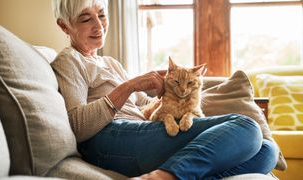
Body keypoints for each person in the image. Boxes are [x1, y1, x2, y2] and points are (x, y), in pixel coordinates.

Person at [50, 0, 279, 179]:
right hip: (109, 139)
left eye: (101, 15)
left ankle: (178, 174)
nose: (98, 25)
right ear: (64, 25)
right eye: (85, 19)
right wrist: (129, 86)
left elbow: (142, 107)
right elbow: (77, 126)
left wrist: (163, 91)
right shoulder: (68, 60)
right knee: (246, 126)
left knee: (267, 151)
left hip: (142, 132)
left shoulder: (110, 63)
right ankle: (161, 177)